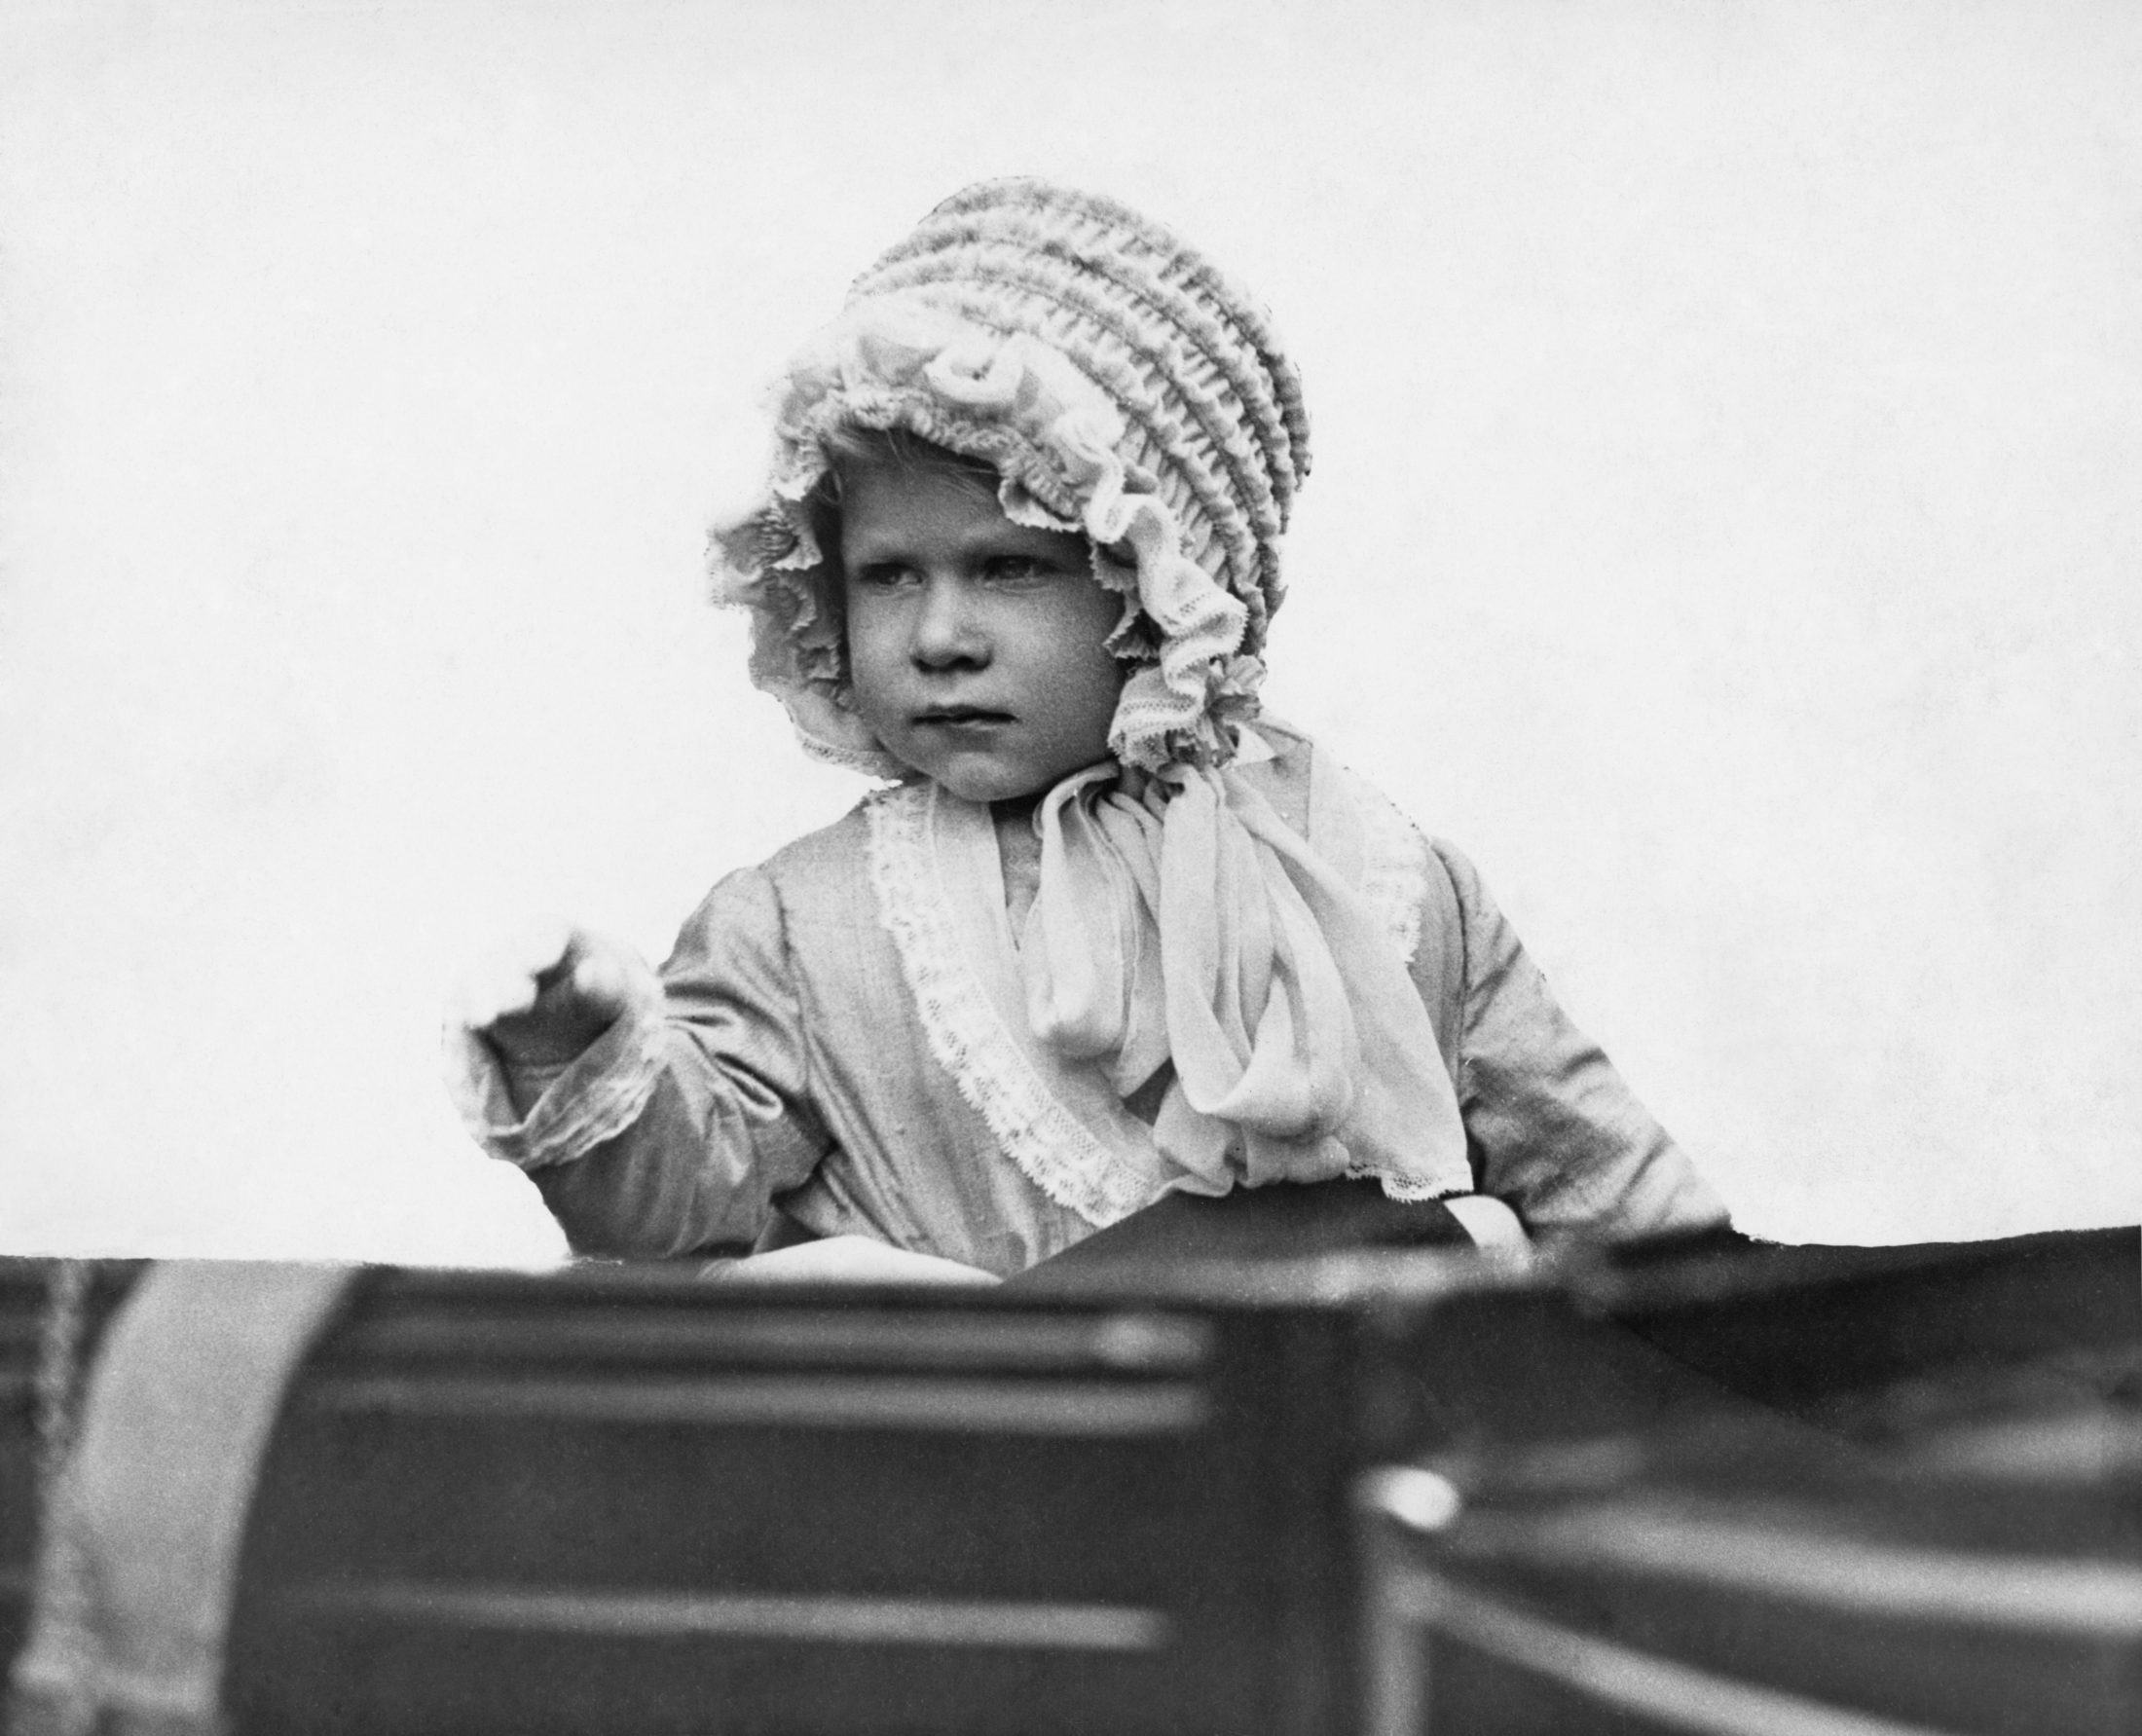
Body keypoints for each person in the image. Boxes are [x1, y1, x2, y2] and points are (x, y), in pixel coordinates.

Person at [445, 178, 1729, 1283]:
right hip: (1000, 1511)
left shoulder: (1378, 875)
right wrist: (592, 1050)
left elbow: (1619, 1197)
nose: (938, 633)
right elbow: (684, 1212)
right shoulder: (801, 925)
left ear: (1159, 585)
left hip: (1330, 1498)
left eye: (1008, 568)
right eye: (890, 573)